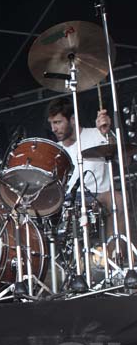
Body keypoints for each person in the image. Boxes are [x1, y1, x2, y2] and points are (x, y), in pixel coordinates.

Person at [46, 97, 125, 247]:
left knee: (118, 199)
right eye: (51, 123)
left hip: (99, 196)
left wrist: (108, 135)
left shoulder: (97, 134)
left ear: (73, 119)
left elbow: (124, 160)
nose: (53, 129)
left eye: (57, 122)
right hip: (69, 201)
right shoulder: (54, 150)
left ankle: (114, 257)